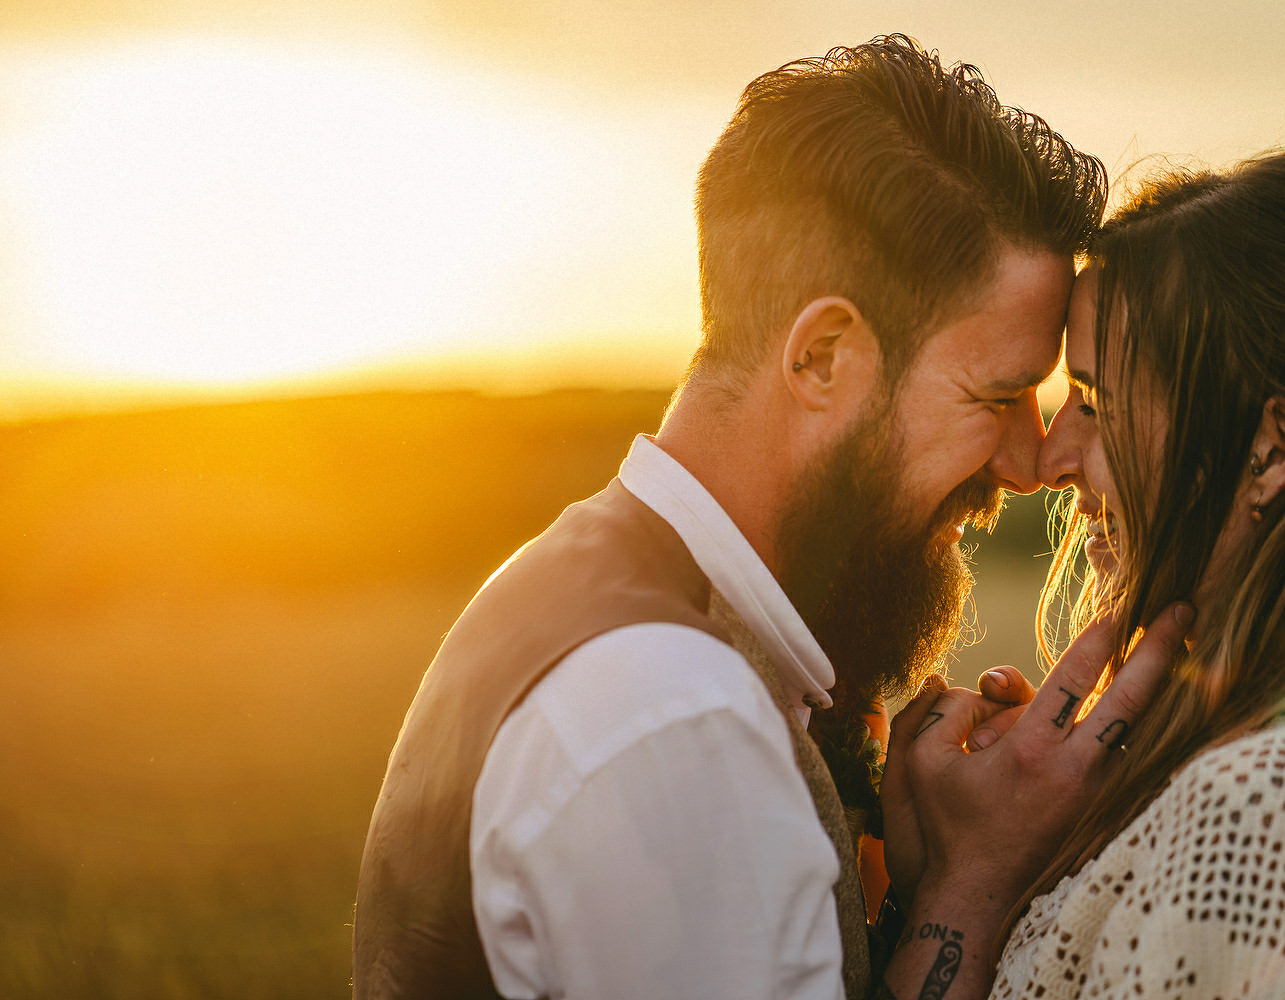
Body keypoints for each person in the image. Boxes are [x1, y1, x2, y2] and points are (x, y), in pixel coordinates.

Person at [352, 35, 1192, 1000]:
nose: (1030, 460)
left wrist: (911, 887)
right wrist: (975, 884)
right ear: (823, 356)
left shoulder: (575, 587)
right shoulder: (676, 717)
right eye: (996, 396)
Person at [908, 144, 1285, 998]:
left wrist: (965, 891)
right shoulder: (1283, 772)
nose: (1052, 457)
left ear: (1271, 450)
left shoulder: (1270, 812)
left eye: (1096, 404)